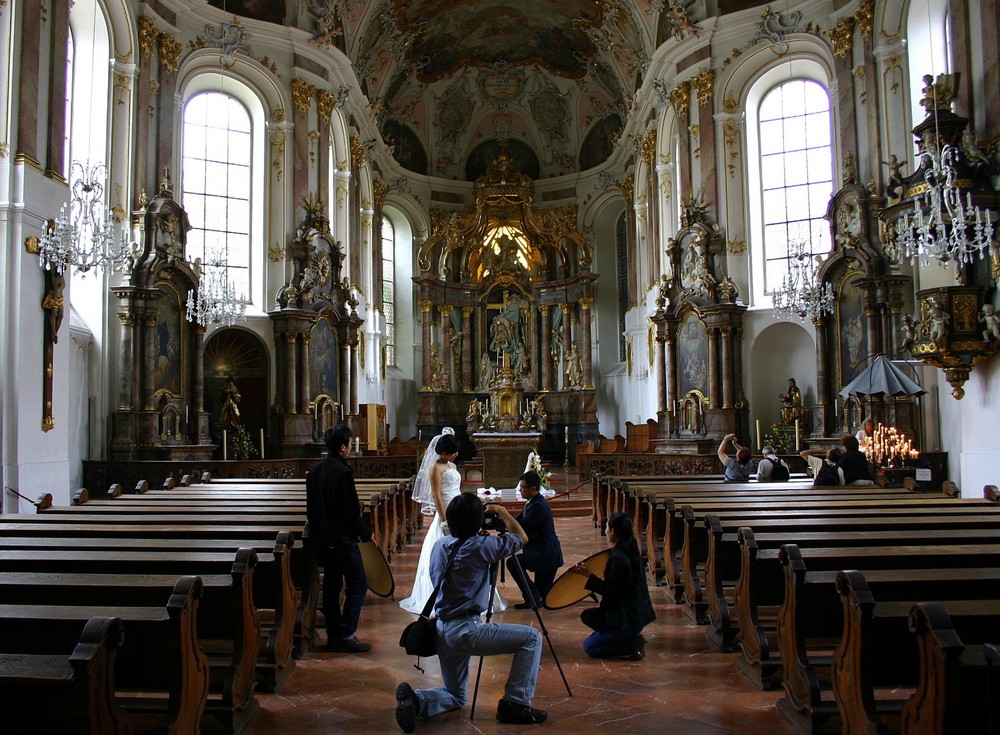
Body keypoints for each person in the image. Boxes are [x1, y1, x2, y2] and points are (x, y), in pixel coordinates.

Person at [394, 493, 547, 731]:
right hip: (468, 631)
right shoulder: (481, 546)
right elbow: (522, 538)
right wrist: (502, 512)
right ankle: (516, 702)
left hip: (442, 629)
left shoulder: (440, 545)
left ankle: (417, 701)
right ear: (477, 522)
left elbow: (459, 559)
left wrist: (477, 538)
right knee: (532, 638)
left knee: (456, 695)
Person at [400, 429, 507, 614]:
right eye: (453, 452)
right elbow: (436, 496)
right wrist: (444, 520)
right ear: (443, 452)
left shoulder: (452, 466)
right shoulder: (435, 467)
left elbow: (456, 489)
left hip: (459, 508)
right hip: (446, 512)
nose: (456, 455)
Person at [306, 424, 373, 652]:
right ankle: (345, 633)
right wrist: (366, 533)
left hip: (324, 539)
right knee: (358, 584)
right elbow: (350, 511)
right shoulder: (343, 472)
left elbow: (311, 510)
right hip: (344, 540)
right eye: (349, 444)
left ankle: (334, 634)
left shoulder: (314, 472)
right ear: (343, 447)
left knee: (332, 587)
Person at [568, 511, 656, 660]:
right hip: (638, 615)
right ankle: (623, 637)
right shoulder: (630, 550)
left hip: (627, 618)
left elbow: (611, 592)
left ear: (613, 531)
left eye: (608, 528)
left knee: (590, 648)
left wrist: (589, 576)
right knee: (588, 616)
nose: (607, 531)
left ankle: (632, 644)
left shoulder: (619, 557)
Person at [506, 470, 563, 609]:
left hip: (546, 554)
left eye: (522, 488)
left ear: (533, 488)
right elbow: (517, 521)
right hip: (541, 552)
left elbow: (521, 526)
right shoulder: (532, 502)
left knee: (513, 562)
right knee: (543, 596)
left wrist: (502, 514)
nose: (520, 491)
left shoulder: (538, 506)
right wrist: (501, 521)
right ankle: (533, 597)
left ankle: (532, 597)